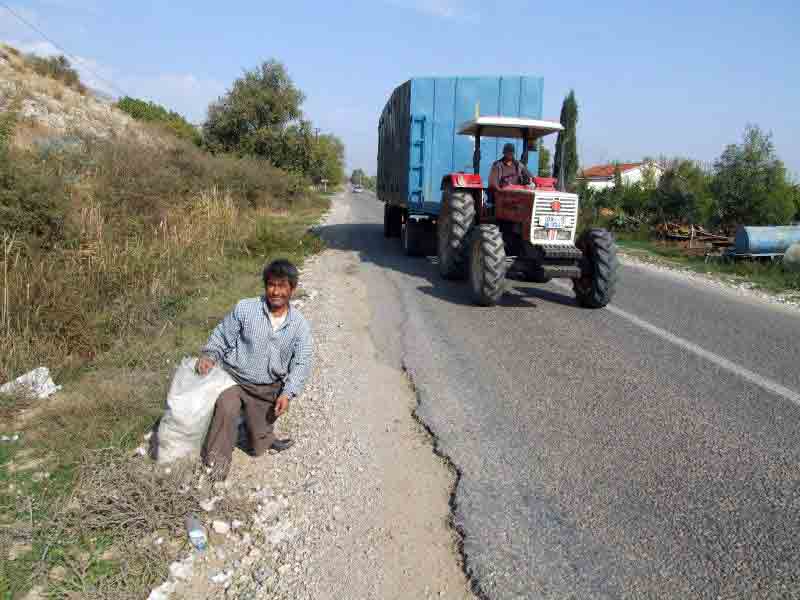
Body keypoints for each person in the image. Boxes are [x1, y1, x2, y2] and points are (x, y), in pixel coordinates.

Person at [198, 259, 313, 479]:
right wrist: (210, 355)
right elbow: (222, 335)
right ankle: (215, 465)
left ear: (292, 289)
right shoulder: (246, 308)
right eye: (271, 285)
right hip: (234, 378)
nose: (275, 291)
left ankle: (263, 437)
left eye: (282, 286)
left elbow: (302, 363)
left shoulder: (299, 326)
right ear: (265, 285)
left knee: (258, 446)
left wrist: (287, 394)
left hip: (266, 388)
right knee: (226, 407)